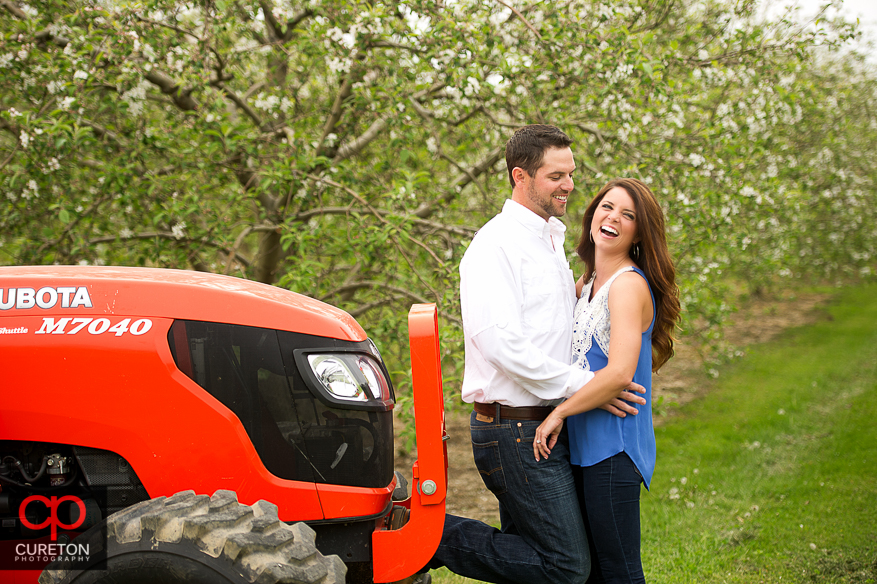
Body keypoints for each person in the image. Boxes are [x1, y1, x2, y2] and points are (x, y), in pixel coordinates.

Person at [419, 126, 646, 584]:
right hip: (514, 429)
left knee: (535, 560)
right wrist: (587, 389)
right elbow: (503, 346)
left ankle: (432, 537)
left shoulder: (547, 241)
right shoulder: (495, 246)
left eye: (571, 174)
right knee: (565, 567)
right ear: (520, 176)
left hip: (544, 423)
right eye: (556, 176)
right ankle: (431, 537)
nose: (569, 186)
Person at [533, 178, 682, 583]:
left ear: (638, 233)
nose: (613, 218)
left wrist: (559, 413)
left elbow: (618, 373)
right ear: (593, 214)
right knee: (593, 572)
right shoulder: (587, 285)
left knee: (619, 571)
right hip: (583, 449)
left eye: (628, 215)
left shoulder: (628, 285)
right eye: (607, 207)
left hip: (614, 450)